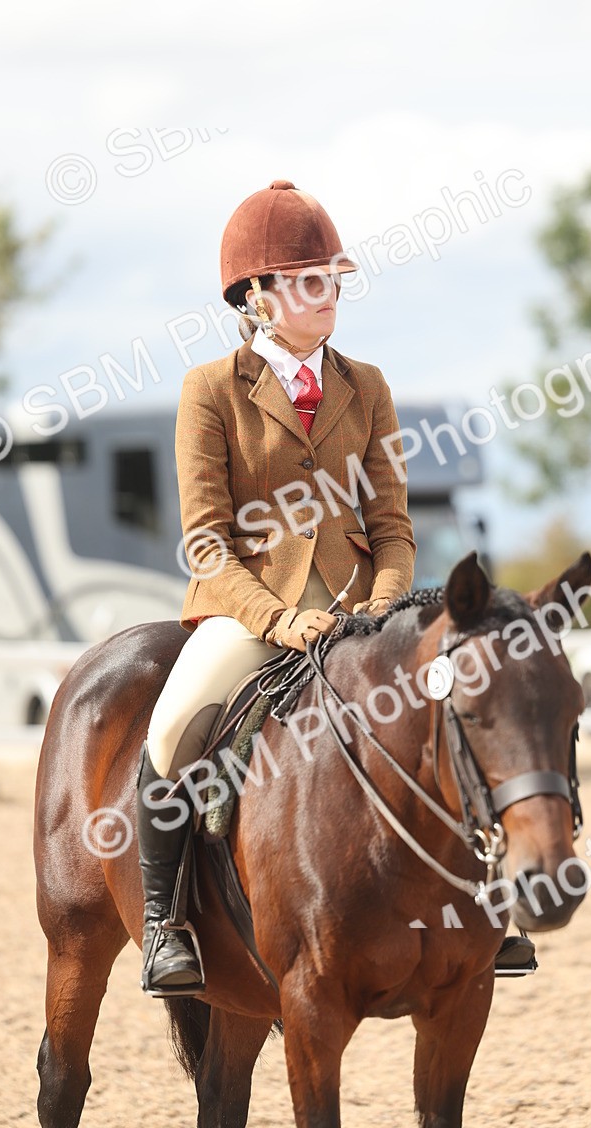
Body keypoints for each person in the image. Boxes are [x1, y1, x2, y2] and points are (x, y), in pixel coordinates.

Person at [136, 179, 417, 996]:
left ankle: (482, 906)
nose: (326, 293)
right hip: (253, 609)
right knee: (172, 728)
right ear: (256, 296)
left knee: (460, 701)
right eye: (306, 280)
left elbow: (392, 525)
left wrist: (386, 601)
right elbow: (206, 540)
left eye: (331, 277)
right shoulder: (210, 390)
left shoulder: (368, 386)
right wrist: (280, 618)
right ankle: (164, 924)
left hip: (367, 609)